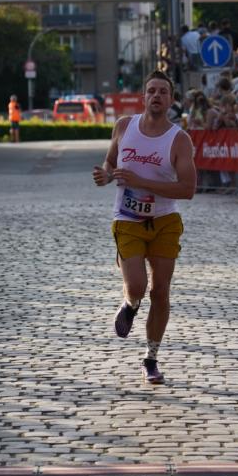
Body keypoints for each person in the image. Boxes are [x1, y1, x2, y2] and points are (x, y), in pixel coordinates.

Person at [92, 70, 197, 385]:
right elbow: (111, 161)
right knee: (137, 287)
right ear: (143, 96)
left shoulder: (179, 139)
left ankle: (151, 357)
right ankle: (129, 303)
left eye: (163, 92)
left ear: (171, 100)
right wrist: (107, 174)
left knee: (160, 290)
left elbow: (188, 189)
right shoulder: (124, 127)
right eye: (151, 90)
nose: (156, 96)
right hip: (127, 218)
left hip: (165, 221)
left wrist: (141, 181)